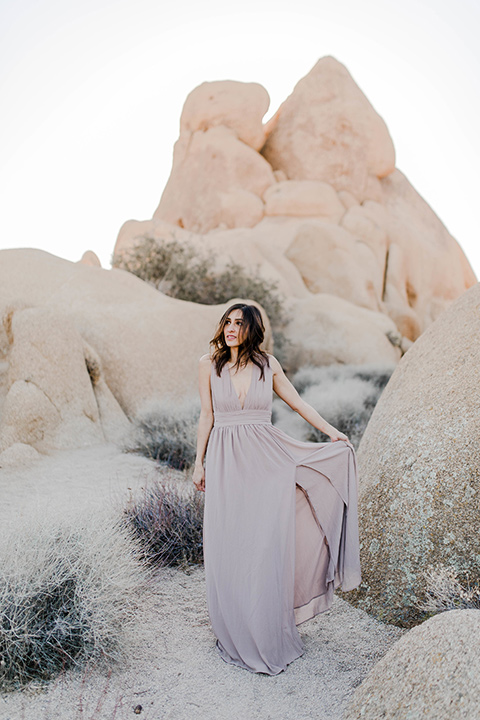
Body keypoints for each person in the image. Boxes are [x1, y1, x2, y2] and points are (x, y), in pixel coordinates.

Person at [192, 302, 361, 675]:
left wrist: (331, 433)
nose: (231, 329)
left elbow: (298, 403)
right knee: (230, 542)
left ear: (252, 329)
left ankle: (266, 627)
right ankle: (236, 629)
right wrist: (198, 461)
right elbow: (207, 415)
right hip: (225, 460)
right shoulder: (208, 364)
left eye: (239, 323)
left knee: (264, 543)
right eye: (227, 322)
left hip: (266, 458)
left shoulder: (268, 365)